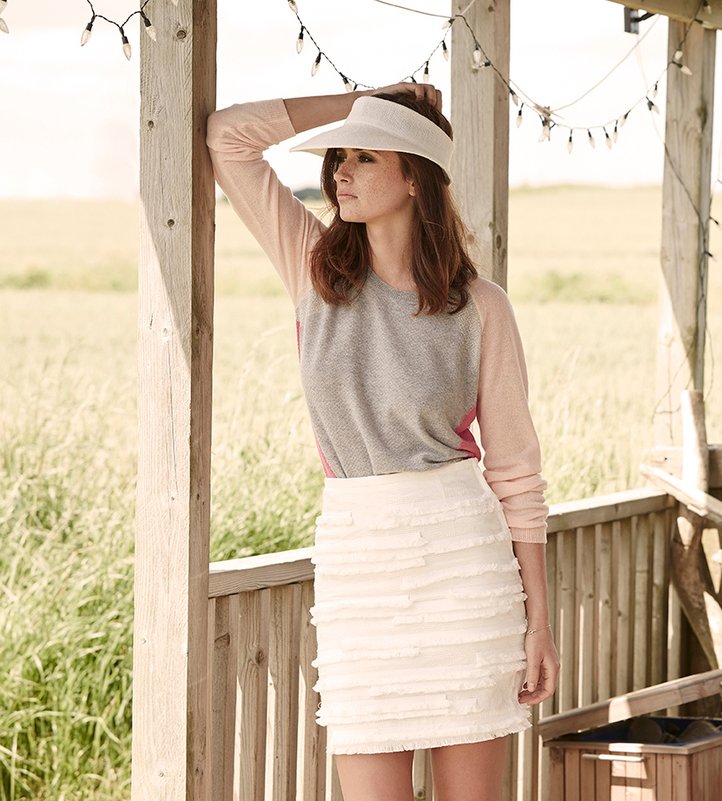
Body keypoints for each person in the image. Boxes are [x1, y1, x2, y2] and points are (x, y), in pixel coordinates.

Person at [206, 82, 560, 801]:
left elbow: (518, 474)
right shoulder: (312, 269)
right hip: (360, 564)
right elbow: (227, 138)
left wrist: (539, 624)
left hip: (465, 570)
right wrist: (363, 98)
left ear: (415, 178)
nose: (340, 171)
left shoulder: (481, 307)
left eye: (365, 156)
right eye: (340, 154)